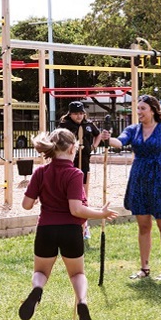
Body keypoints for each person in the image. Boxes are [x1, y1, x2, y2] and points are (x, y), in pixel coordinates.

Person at [19, 128, 119, 320]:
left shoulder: (40, 172)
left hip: (46, 229)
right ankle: (82, 301)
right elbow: (76, 209)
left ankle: (37, 290)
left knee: (40, 272)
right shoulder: (75, 174)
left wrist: (40, 193)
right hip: (70, 231)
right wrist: (101, 213)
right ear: (73, 148)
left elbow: (26, 205)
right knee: (77, 274)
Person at [101, 95, 161, 281]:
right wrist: (108, 138)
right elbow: (120, 143)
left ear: (152, 109)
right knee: (143, 225)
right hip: (139, 179)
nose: (139, 112)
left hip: (160, 180)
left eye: (143, 108)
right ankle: (144, 268)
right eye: (138, 109)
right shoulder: (133, 130)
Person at [58, 101, 102, 239]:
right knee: (69, 193)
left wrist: (93, 146)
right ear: (70, 114)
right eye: (76, 114)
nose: (79, 116)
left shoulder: (88, 125)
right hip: (70, 162)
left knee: (83, 193)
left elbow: (98, 134)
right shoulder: (65, 126)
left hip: (85, 162)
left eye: (81, 113)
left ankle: (84, 226)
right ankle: (68, 223)